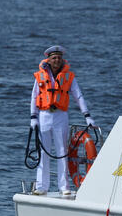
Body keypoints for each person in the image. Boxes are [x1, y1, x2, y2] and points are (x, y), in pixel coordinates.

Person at [30, 45, 96, 196]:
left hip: (61, 115)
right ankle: (41, 186)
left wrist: (87, 115)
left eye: (59, 58)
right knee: (43, 152)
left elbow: (78, 96)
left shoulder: (69, 76)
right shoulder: (40, 76)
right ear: (49, 59)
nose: (56, 60)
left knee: (62, 151)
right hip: (44, 115)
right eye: (54, 58)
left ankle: (64, 186)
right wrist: (33, 117)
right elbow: (34, 97)